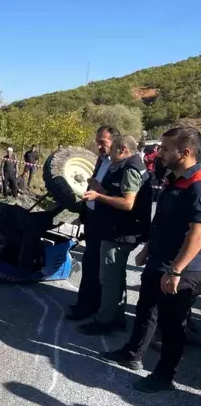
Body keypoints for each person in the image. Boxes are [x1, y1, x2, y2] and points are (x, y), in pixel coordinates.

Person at [103, 127, 201, 393]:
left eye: (167, 149)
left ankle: (164, 375)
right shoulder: (173, 179)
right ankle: (132, 354)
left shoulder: (197, 183)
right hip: (159, 259)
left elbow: (197, 232)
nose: (160, 153)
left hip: (183, 268)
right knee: (147, 310)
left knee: (172, 323)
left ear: (186, 152)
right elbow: (162, 219)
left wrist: (177, 270)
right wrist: (148, 248)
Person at [77, 135, 152, 335]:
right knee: (117, 276)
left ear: (123, 149)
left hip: (119, 232)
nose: (109, 153)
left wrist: (98, 196)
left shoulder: (130, 169)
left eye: (113, 149)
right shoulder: (130, 165)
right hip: (119, 230)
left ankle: (104, 321)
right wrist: (102, 188)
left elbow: (128, 203)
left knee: (109, 279)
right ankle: (118, 317)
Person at [67, 125, 121, 321]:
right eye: (98, 142)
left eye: (103, 143)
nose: (99, 146)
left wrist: (100, 191)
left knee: (93, 265)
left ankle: (86, 308)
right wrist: (84, 212)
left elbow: (120, 198)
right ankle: (87, 304)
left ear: (114, 142)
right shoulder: (102, 160)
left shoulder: (119, 164)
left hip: (103, 222)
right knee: (91, 264)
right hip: (92, 218)